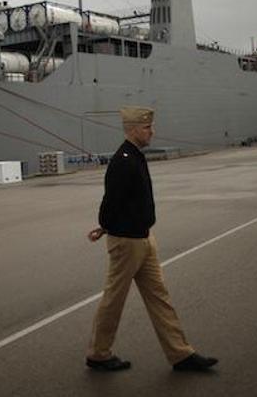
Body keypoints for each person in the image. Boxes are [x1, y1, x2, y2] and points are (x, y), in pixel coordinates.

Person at [85, 106, 218, 372]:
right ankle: (98, 354)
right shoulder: (123, 160)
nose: (152, 131)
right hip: (127, 244)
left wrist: (109, 226)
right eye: (147, 127)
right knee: (114, 300)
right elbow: (110, 203)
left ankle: (180, 354)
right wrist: (106, 226)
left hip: (144, 239)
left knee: (160, 297)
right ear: (133, 129)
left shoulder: (135, 156)